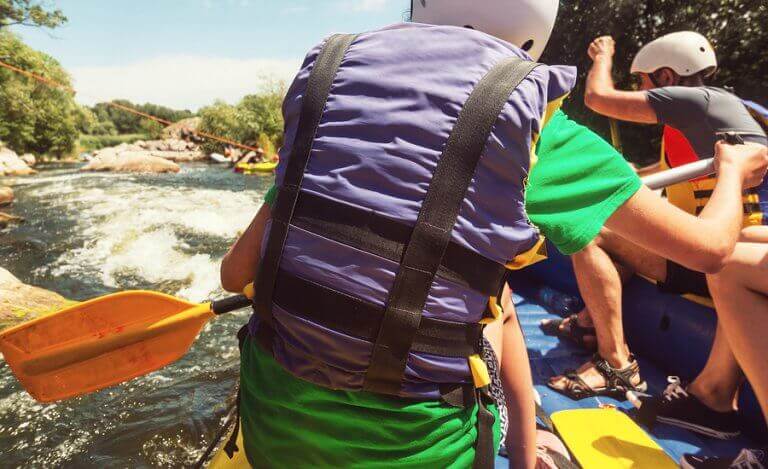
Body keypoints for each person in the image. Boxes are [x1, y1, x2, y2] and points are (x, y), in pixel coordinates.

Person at [219, 4, 768, 466]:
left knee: (487, 286)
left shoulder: (332, 99)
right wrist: (736, 171)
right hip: (414, 448)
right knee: (487, 290)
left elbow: (235, 274)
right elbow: (712, 249)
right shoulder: (537, 125)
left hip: (270, 422)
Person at [543, 31, 768, 468]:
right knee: (614, 223)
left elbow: (598, 97)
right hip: (714, 247)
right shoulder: (698, 124)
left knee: (588, 229)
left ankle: (615, 363)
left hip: (716, 250)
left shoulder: (697, 100)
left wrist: (603, 56)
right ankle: (592, 322)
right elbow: (666, 177)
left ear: (667, 75)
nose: (648, 91)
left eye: (646, 81)